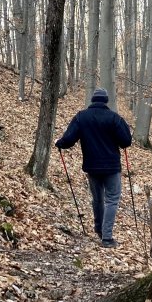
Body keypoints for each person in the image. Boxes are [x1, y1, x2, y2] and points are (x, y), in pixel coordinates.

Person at [55, 88, 133, 248]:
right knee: (112, 199)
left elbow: (69, 139)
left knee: (97, 199)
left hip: (92, 166)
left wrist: (59, 143)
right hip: (111, 167)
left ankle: (99, 229)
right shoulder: (114, 118)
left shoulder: (81, 117)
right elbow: (126, 141)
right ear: (106, 101)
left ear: (93, 100)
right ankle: (107, 237)